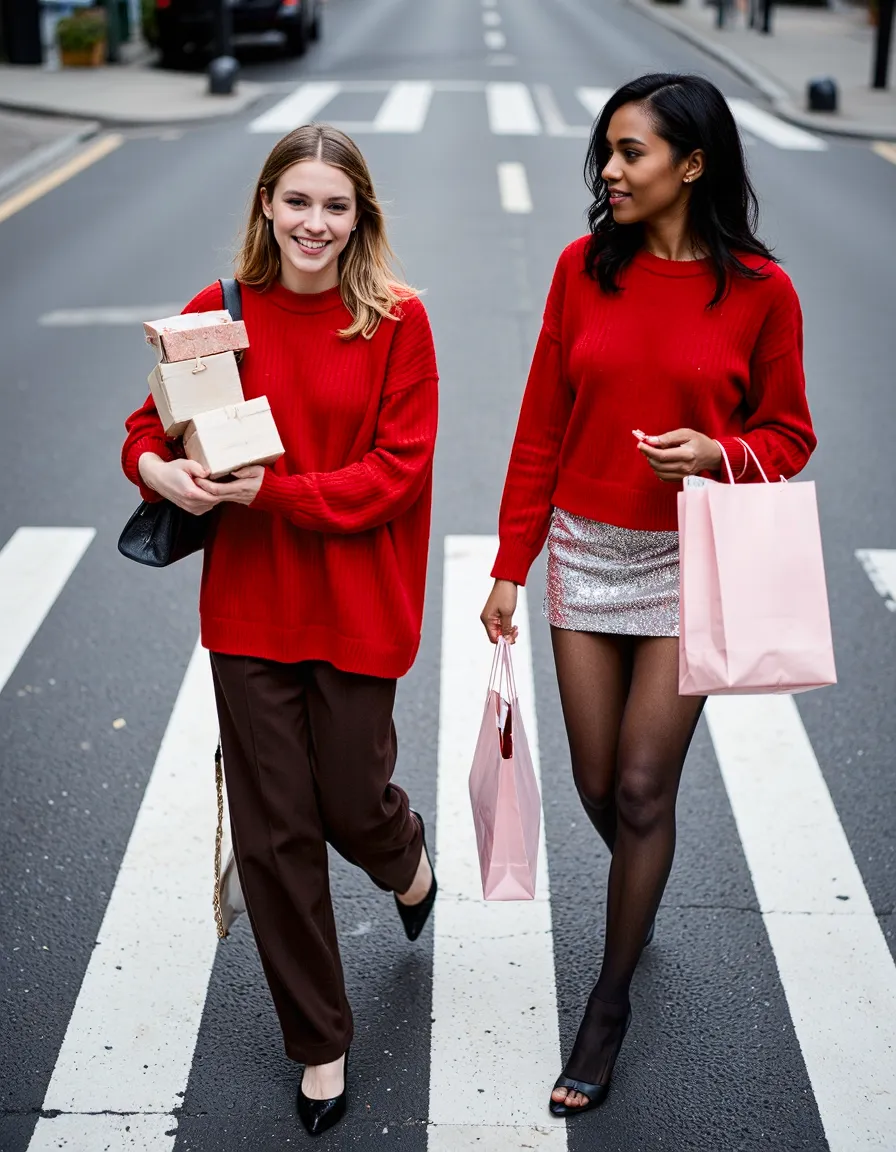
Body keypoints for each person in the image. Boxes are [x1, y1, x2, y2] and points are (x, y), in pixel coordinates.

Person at [480, 73, 816, 1117]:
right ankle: (642, 883)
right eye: (607, 153)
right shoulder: (582, 269)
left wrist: (719, 452)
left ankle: (608, 1002)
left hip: (691, 561)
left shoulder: (762, 292)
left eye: (630, 153)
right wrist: (508, 562)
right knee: (593, 781)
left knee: (638, 788)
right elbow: (539, 422)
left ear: (692, 164)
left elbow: (790, 433)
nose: (609, 172)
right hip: (585, 551)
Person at [122, 124, 439, 1137]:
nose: (313, 223)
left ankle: (403, 858)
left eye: (334, 206)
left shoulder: (395, 321)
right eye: (296, 201)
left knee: (350, 803)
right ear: (266, 204)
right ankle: (319, 1043)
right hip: (252, 606)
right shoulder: (217, 314)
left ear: (360, 218)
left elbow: (398, 471)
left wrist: (278, 493)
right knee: (275, 835)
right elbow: (146, 425)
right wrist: (158, 471)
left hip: (356, 601)